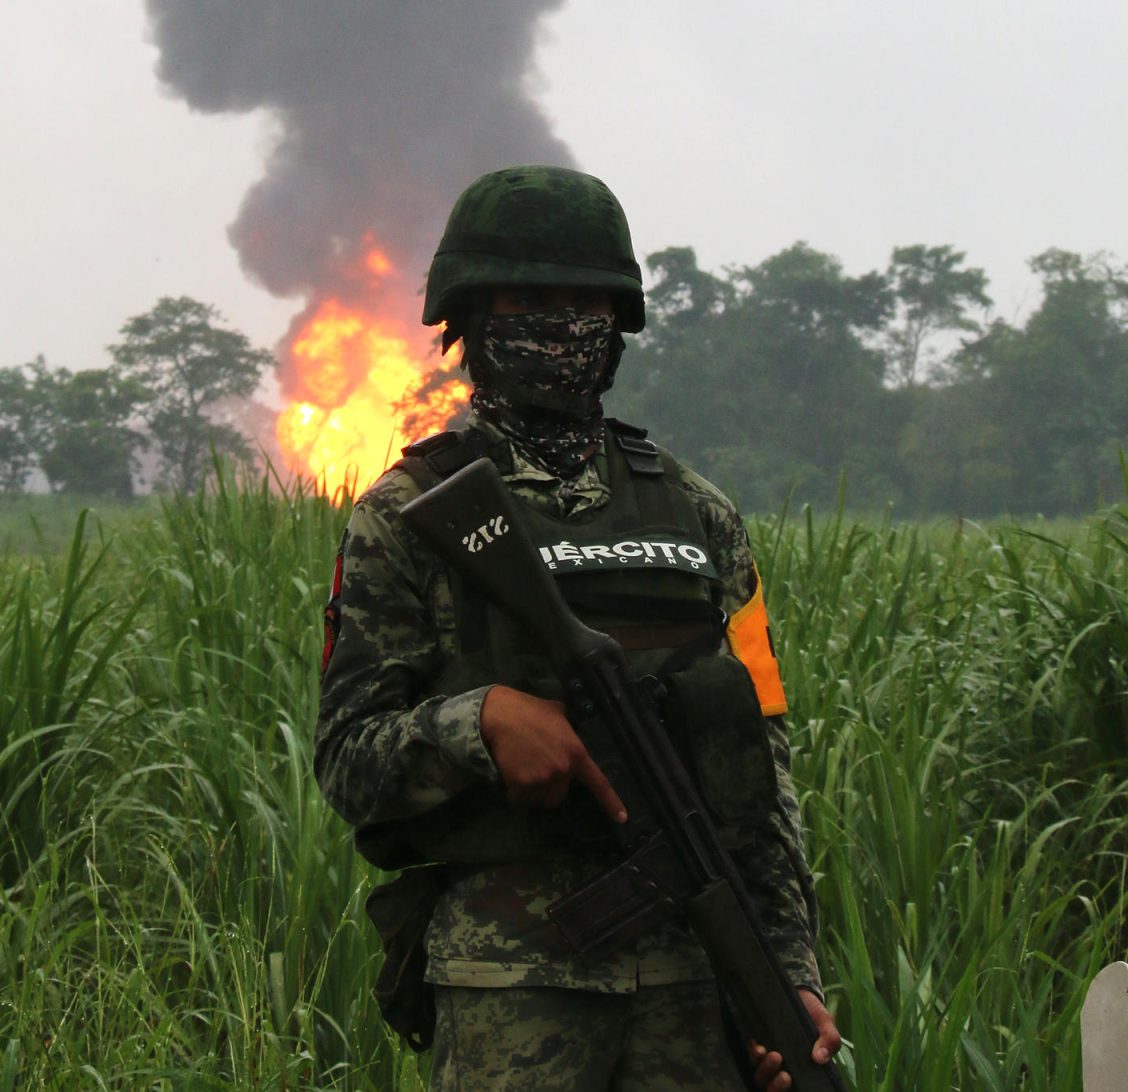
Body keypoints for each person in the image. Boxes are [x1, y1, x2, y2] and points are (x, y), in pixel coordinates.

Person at [313, 165, 841, 1090]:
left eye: (582, 300)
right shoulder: (408, 515)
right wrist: (474, 725)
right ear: (469, 317)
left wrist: (786, 973)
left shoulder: (697, 515)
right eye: (526, 298)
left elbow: (761, 770)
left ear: (618, 320)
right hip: (508, 987)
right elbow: (347, 758)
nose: (558, 323)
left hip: (697, 975)